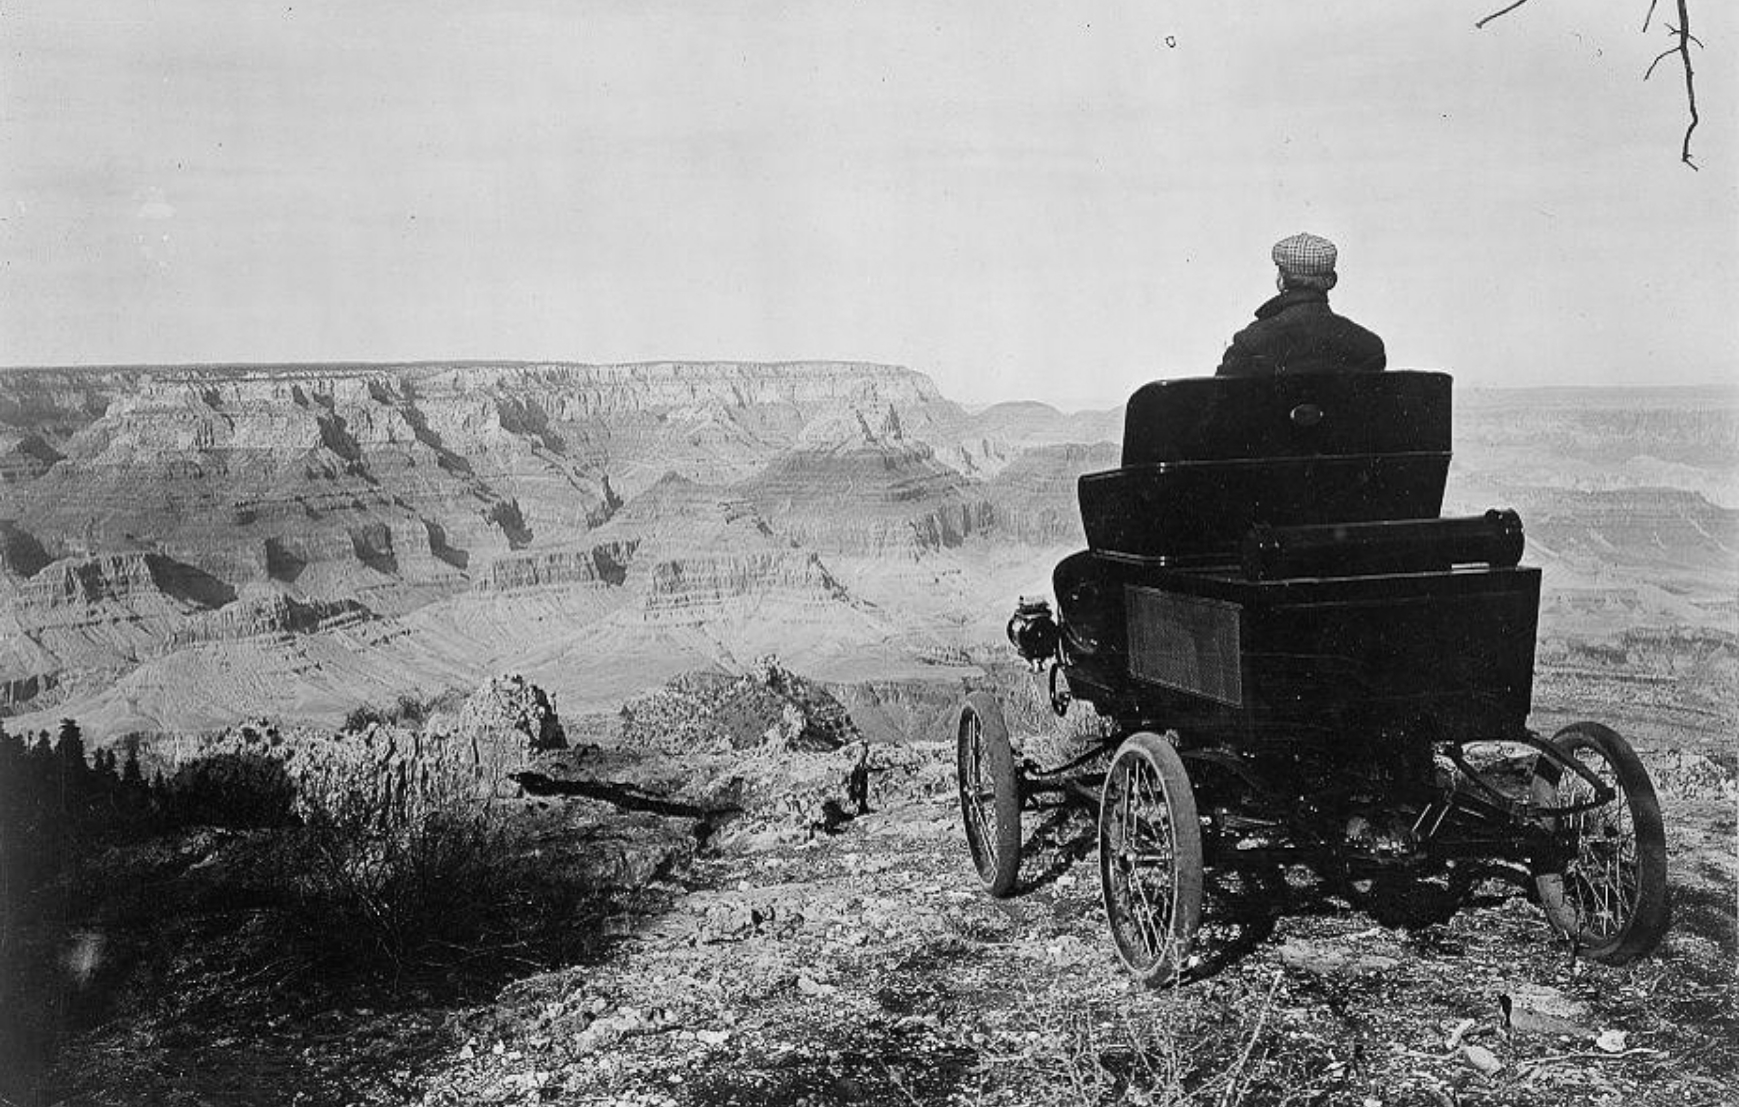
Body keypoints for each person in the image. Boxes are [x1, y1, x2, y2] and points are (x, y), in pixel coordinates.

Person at [1216, 232, 1386, 376]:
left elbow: (1217, 404)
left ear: (1281, 280)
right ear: (1331, 280)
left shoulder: (1251, 342)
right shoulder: (1368, 346)